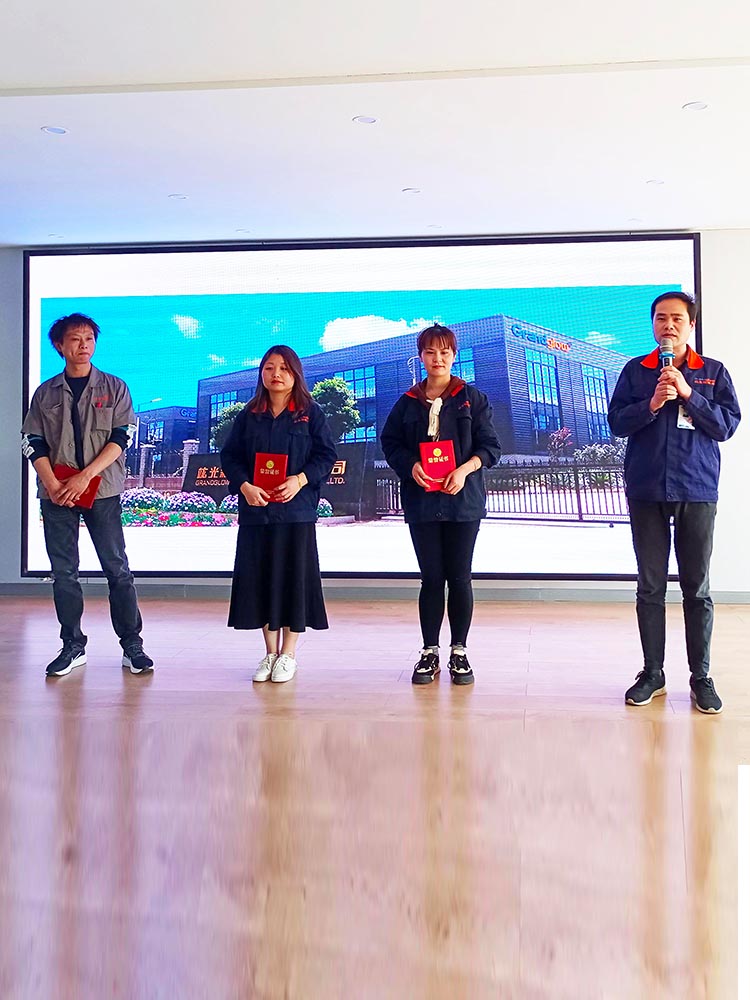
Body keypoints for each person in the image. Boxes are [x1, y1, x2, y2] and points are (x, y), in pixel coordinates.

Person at [608, 292, 741, 713]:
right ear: (653, 324)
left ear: (691, 324)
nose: (668, 325)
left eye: (677, 318)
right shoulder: (636, 371)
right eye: (661, 318)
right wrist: (651, 404)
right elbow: (616, 423)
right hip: (646, 488)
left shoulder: (712, 372)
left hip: (696, 488)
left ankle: (700, 677)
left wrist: (689, 394)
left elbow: (726, 426)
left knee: (696, 588)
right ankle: (653, 673)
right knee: (650, 586)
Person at [21, 313, 154, 677]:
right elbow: (32, 440)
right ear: (59, 346)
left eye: (89, 339)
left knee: (117, 567)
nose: (83, 345)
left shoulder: (114, 387)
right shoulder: (45, 393)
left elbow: (122, 437)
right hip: (56, 494)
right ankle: (72, 645)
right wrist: (52, 484)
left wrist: (84, 477)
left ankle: (132, 645)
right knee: (64, 571)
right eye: (75, 339)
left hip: (102, 490)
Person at [381, 324, 502, 685]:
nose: (438, 358)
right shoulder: (407, 402)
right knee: (432, 578)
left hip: (462, 502)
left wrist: (464, 470)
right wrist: (410, 466)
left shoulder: (472, 398)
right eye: (430, 352)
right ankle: (429, 652)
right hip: (422, 502)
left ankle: (459, 652)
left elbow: (491, 448)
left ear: (454, 355)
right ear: (420, 357)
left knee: (460, 577)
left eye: (444, 351)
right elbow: (391, 443)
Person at [220, 345, 337, 683]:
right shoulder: (249, 414)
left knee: (293, 579)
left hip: (295, 512)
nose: (276, 374)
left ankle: (289, 654)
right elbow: (230, 457)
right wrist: (244, 486)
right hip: (257, 511)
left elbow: (326, 455)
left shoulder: (310, 412)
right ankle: (270, 653)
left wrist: (300, 480)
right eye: (269, 368)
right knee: (261, 579)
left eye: (284, 368)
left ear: (295, 374)